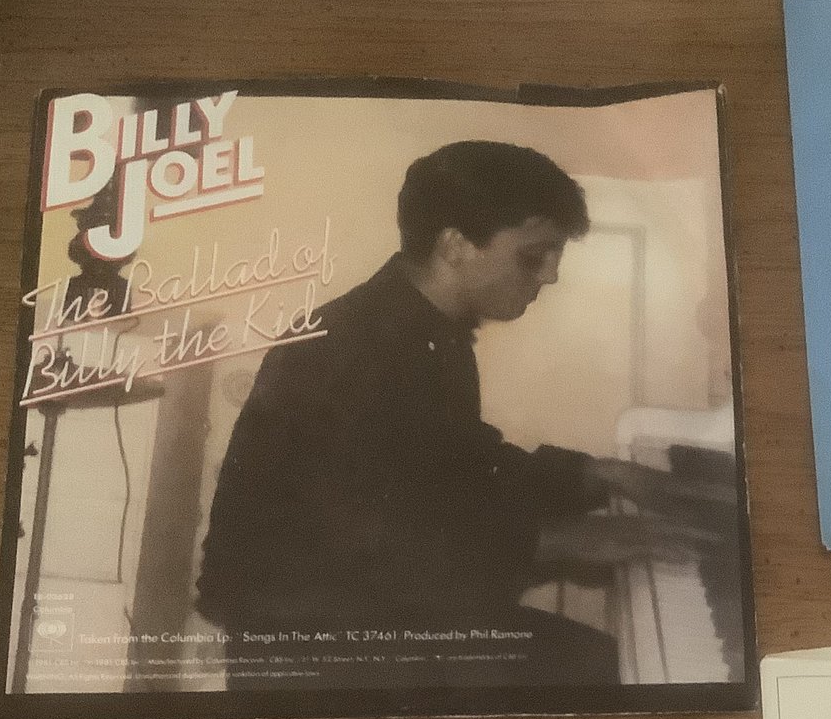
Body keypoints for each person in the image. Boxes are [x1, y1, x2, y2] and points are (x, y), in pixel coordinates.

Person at [196, 140, 708, 688]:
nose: (551, 276)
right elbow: (381, 544)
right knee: (610, 673)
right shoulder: (348, 351)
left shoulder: (421, 328)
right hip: (313, 650)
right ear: (455, 245)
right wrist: (560, 540)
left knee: (607, 665)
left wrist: (595, 476)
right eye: (533, 256)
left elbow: (460, 471)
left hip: (371, 618)